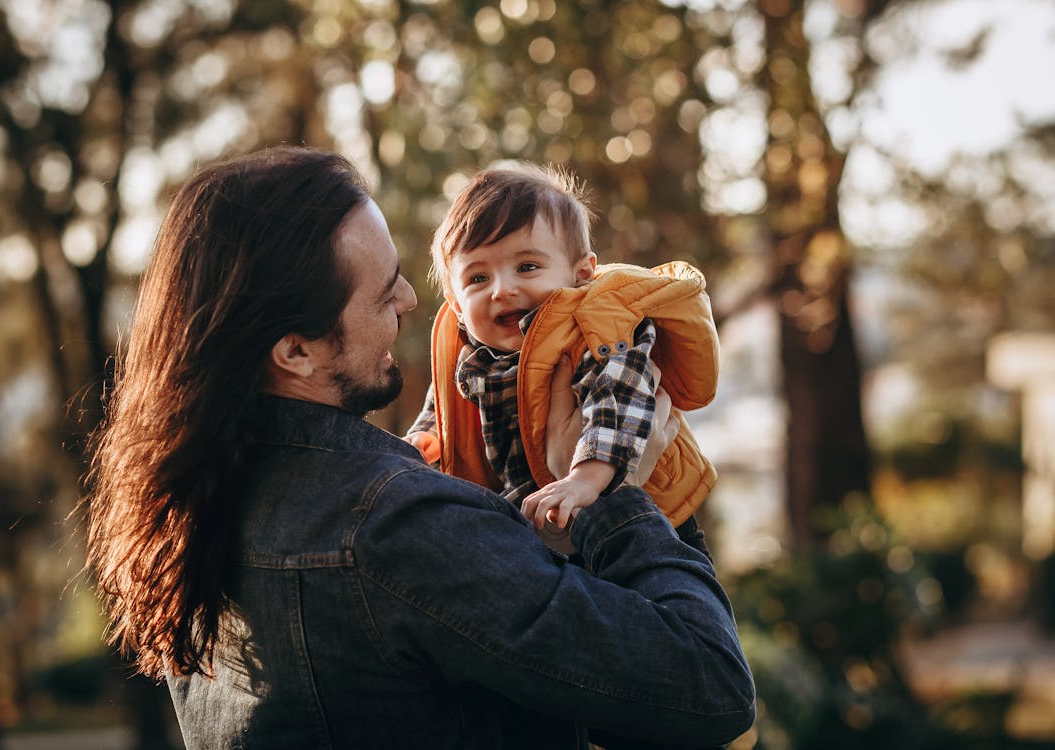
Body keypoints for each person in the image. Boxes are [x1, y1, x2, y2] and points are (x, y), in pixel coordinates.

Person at [85, 146, 754, 749]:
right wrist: (618, 498)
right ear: (295, 350)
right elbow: (710, 689)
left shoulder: (195, 503)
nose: (410, 300)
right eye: (383, 292)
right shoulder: (402, 528)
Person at [404, 165, 719, 551]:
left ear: (581, 273)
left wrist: (584, 480)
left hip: (649, 515)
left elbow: (619, 401)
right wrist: (427, 438)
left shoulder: (597, 326)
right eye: (478, 278)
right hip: (547, 517)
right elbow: (445, 406)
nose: (502, 290)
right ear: (455, 302)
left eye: (527, 267)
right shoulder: (471, 353)